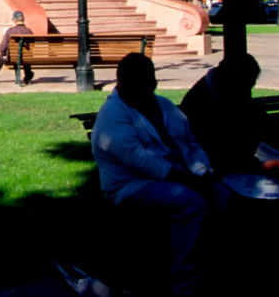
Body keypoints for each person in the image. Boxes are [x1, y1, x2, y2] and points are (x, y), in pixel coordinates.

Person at [91, 53, 215, 296]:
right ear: (123, 82)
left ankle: (213, 269)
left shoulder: (164, 106)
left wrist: (202, 171)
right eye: (141, 81)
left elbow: (190, 143)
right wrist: (188, 180)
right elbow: (139, 160)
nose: (149, 86)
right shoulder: (113, 115)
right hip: (132, 187)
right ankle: (184, 282)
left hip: (181, 177)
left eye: (150, 80)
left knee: (224, 194)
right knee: (190, 203)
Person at [180, 53, 279, 176]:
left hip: (238, 161)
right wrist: (260, 166)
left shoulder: (228, 89)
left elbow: (254, 115)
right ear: (233, 80)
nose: (248, 90)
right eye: (246, 86)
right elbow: (218, 151)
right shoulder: (200, 103)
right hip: (214, 169)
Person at [0, 10, 33, 84]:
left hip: (12, 58)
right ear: (23, 19)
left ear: (15, 20)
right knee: (25, 56)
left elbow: (2, 48)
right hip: (26, 59)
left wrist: (3, 53)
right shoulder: (29, 31)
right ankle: (28, 76)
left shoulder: (10, 31)